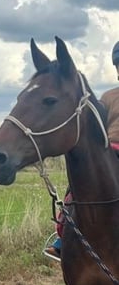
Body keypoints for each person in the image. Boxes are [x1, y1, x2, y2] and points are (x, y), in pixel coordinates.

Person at [44, 41, 119, 260]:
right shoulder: (108, 97)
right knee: (75, 191)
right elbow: (97, 126)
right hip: (108, 151)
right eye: (118, 65)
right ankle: (63, 237)